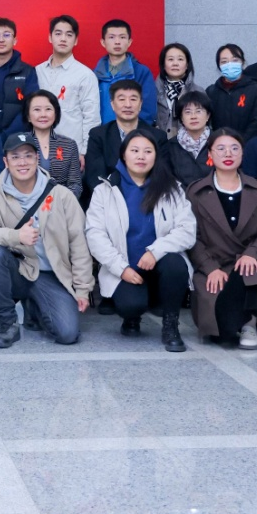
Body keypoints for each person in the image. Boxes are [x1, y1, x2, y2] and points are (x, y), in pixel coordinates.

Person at [0, 131, 92, 348]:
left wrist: (82, 288)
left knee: (67, 334)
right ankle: (6, 322)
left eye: (28, 156)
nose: (22, 162)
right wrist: (16, 236)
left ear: (37, 158)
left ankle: (34, 307)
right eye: (15, 157)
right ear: (6, 162)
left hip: (50, 275)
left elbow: (79, 243)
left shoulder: (61, 195)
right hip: (17, 271)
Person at [85, 129, 195, 351]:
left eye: (148, 151)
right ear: (123, 155)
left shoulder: (172, 188)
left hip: (159, 265)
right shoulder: (105, 190)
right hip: (125, 268)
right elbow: (95, 235)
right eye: (134, 151)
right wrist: (121, 268)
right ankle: (131, 317)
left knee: (175, 264)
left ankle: (170, 325)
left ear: (156, 156)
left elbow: (187, 230)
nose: (141, 156)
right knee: (130, 305)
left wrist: (155, 251)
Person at [186, 129, 257, 349]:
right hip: (214, 263)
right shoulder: (197, 191)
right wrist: (210, 267)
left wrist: (252, 254)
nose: (228, 153)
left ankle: (250, 323)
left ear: (242, 153)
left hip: (250, 260)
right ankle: (228, 323)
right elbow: (191, 236)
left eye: (234, 148)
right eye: (220, 148)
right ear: (210, 154)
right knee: (223, 334)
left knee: (252, 273)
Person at [35, 15, 101, 165]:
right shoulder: (37, 72)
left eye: (69, 34)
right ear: (50, 37)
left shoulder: (85, 75)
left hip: (71, 151)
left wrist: (84, 152)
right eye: (58, 33)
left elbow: (91, 117)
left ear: (76, 40)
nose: (63, 39)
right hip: (38, 151)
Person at [84, 79, 160, 195]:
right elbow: (95, 177)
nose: (128, 105)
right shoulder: (98, 136)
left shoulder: (158, 137)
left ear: (140, 104)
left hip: (147, 197)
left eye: (133, 99)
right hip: (108, 198)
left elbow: (161, 175)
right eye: (122, 99)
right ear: (112, 104)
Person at [95, 19, 157, 125]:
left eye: (122, 37)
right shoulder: (94, 75)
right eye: (111, 37)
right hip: (101, 132)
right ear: (103, 42)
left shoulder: (141, 72)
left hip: (133, 132)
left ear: (129, 42)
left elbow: (148, 110)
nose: (117, 42)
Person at [25, 90, 82, 198]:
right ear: (28, 116)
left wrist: (61, 202)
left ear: (56, 114)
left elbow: (75, 184)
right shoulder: (20, 143)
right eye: (37, 109)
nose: (43, 114)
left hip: (62, 202)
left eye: (48, 109)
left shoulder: (69, 144)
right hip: (27, 203)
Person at [207, 43, 257, 140]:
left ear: (242, 62)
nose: (230, 65)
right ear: (219, 66)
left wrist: (240, 143)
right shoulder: (211, 92)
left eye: (235, 60)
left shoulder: (256, 90)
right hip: (219, 144)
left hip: (248, 145)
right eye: (224, 62)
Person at [163, 90, 212, 187]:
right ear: (181, 117)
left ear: (208, 115)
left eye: (198, 111)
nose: (193, 116)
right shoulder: (171, 146)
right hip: (181, 195)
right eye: (188, 112)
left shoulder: (218, 142)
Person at [155, 42, 204, 139]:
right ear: (163, 64)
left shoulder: (198, 91)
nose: (175, 63)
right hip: (158, 143)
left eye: (180, 59)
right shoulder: (153, 90)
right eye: (170, 59)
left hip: (188, 142)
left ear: (187, 65)